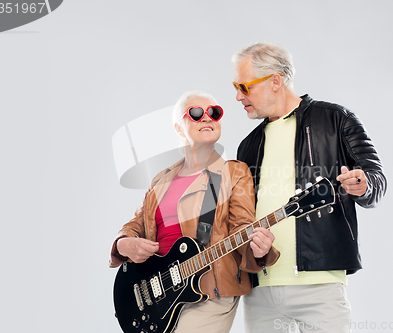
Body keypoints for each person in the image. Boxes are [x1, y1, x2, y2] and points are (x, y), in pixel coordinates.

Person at [232, 43, 387, 333]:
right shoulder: (248, 145)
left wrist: (364, 185)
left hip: (319, 286)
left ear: (275, 81)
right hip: (260, 289)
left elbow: (376, 177)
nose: (238, 96)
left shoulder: (335, 119)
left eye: (244, 86)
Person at [109, 90, 279, 333]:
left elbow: (243, 226)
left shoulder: (232, 173)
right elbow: (138, 223)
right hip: (156, 293)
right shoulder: (161, 179)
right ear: (178, 127)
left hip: (207, 289)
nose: (207, 118)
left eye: (214, 113)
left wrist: (258, 248)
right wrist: (122, 243)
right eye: (196, 114)